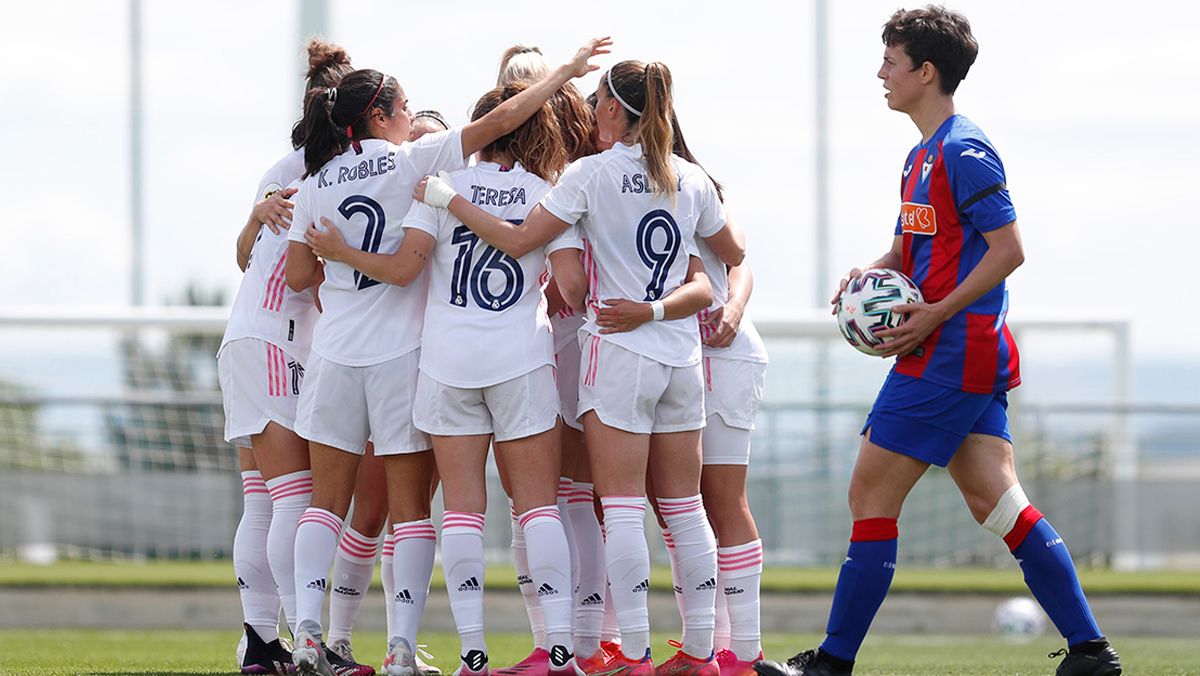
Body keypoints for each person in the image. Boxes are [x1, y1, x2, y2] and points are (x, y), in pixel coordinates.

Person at [753, 7, 1121, 676]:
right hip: (957, 351)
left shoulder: (964, 151)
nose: (880, 74)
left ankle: (831, 664)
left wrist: (934, 314)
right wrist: (872, 273)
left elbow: (1010, 251)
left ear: (926, 72)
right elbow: (908, 248)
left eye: (891, 62)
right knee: (997, 501)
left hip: (951, 352)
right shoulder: (921, 155)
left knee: (869, 493)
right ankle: (1091, 652)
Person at [283, 37, 612, 676]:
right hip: (460, 358)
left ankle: (327, 635)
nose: (413, 116)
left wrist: (338, 257)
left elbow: (301, 274)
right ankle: (436, 649)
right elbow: (415, 265)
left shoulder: (325, 180)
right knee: (504, 508)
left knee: (335, 505)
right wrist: (566, 75)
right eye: (405, 106)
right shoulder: (427, 169)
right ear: (381, 115)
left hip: (387, 360)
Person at [410, 58, 744, 676]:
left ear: (615, 109)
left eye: (597, 101)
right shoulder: (690, 177)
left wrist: (448, 198)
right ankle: (703, 653)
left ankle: (633, 654)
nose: (591, 111)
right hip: (679, 357)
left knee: (614, 506)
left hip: (616, 352)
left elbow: (523, 248)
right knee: (683, 508)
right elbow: (733, 255)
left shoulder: (587, 174)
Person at [220, 37, 357, 676]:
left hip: (244, 338)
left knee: (261, 497)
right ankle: (297, 643)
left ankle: (259, 643)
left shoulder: (283, 168)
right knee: (296, 497)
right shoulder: (328, 179)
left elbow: (245, 253)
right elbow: (304, 277)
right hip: (278, 339)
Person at [492, 44, 604, 676]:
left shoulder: (561, 178)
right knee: (560, 497)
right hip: (563, 338)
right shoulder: (569, 170)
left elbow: (565, 278)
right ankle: (577, 643)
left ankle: (569, 644)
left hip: (557, 337)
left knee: (552, 497)